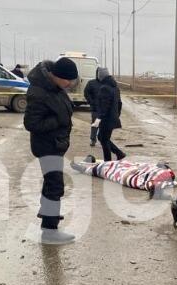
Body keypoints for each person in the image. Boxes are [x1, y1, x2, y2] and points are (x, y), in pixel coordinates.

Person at [23, 57, 79, 245]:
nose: (70, 84)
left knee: (52, 185)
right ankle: (49, 231)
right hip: (47, 146)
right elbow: (31, 123)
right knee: (54, 186)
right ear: (57, 76)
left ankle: (49, 225)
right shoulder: (39, 91)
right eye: (68, 80)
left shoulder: (55, 88)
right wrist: (58, 121)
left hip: (55, 144)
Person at [92, 67, 126, 161]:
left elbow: (104, 106)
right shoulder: (115, 87)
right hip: (112, 118)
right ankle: (119, 153)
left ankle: (108, 161)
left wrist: (99, 118)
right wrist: (116, 115)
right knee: (102, 138)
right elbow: (119, 104)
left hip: (106, 119)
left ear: (101, 76)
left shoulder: (104, 88)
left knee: (103, 139)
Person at [83, 69, 103, 147]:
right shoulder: (91, 83)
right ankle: (93, 140)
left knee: (104, 125)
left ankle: (103, 140)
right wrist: (91, 102)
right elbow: (86, 93)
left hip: (105, 108)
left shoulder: (107, 83)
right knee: (95, 124)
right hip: (95, 108)